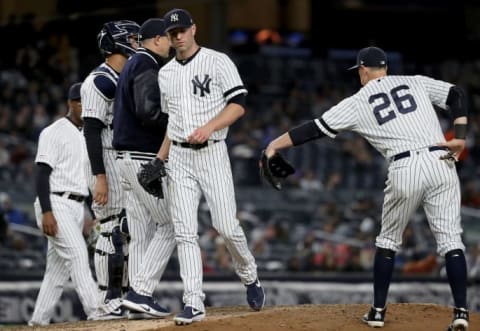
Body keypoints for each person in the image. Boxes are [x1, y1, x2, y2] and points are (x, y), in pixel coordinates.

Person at [262, 46, 469, 331]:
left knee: (388, 242)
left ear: (363, 69)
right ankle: (461, 313)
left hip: (404, 165)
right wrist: (460, 136)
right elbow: (456, 93)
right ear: (385, 67)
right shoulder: (415, 81)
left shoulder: (359, 100)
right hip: (441, 159)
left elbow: (314, 128)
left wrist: (275, 144)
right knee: (451, 242)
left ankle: (378, 312)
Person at [143, 8, 265, 325]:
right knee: (185, 232)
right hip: (180, 157)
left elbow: (238, 104)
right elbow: (173, 123)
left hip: (211, 151)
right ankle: (193, 301)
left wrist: (210, 127)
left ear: (194, 29)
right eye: (172, 33)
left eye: (182, 29)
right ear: (167, 37)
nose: (178, 35)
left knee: (225, 226)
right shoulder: (165, 73)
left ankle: (249, 274)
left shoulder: (217, 61)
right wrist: (160, 157)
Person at [112, 18, 175, 319]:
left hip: (124, 158)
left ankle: (136, 302)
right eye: (169, 37)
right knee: (171, 224)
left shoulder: (133, 63)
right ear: (158, 39)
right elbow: (148, 112)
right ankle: (142, 292)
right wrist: (176, 122)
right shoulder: (147, 64)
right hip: (141, 157)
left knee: (140, 232)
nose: (172, 43)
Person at [81, 20, 140, 319]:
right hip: (103, 158)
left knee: (128, 229)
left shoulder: (127, 75)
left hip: (123, 158)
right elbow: (91, 130)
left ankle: (125, 295)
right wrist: (100, 177)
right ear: (115, 42)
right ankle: (108, 299)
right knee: (111, 228)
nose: (136, 41)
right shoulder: (98, 80)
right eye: (131, 37)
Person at [28, 83, 98, 326]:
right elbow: (41, 174)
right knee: (78, 255)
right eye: (79, 101)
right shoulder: (53, 131)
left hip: (77, 206)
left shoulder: (89, 134)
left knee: (57, 273)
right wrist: (47, 211)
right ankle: (97, 312)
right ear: (70, 103)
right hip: (55, 202)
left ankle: (38, 322)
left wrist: (93, 213)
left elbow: (87, 180)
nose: (83, 105)